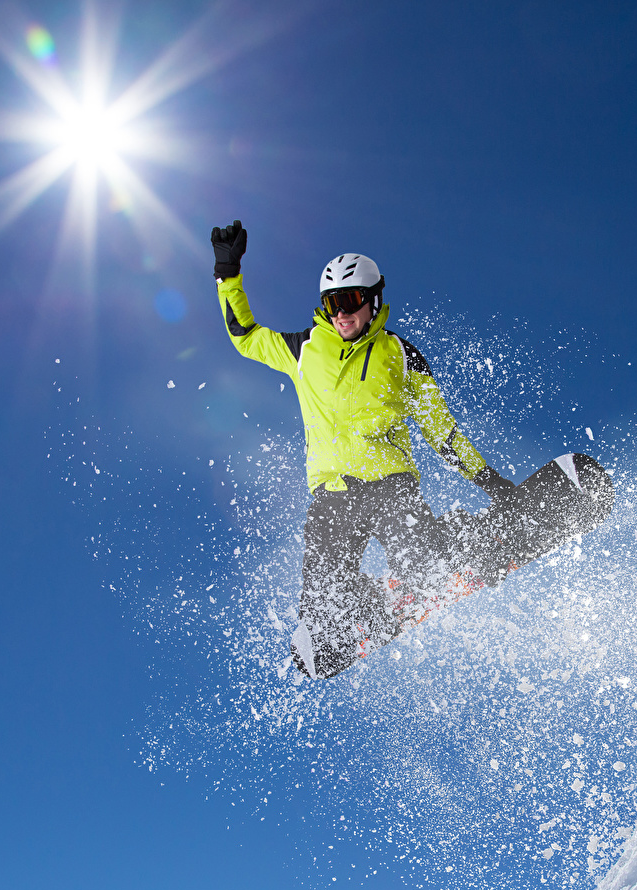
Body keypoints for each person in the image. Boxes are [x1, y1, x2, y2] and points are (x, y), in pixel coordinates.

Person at [209, 219, 515, 677]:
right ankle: (361, 605)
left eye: (350, 301)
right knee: (322, 605)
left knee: (421, 567)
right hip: (331, 497)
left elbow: (442, 432)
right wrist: (227, 273)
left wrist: (491, 482)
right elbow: (244, 336)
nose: (341, 313)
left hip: (390, 486)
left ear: (373, 301)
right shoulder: (304, 349)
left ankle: (458, 542)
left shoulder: (402, 356)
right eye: (332, 302)